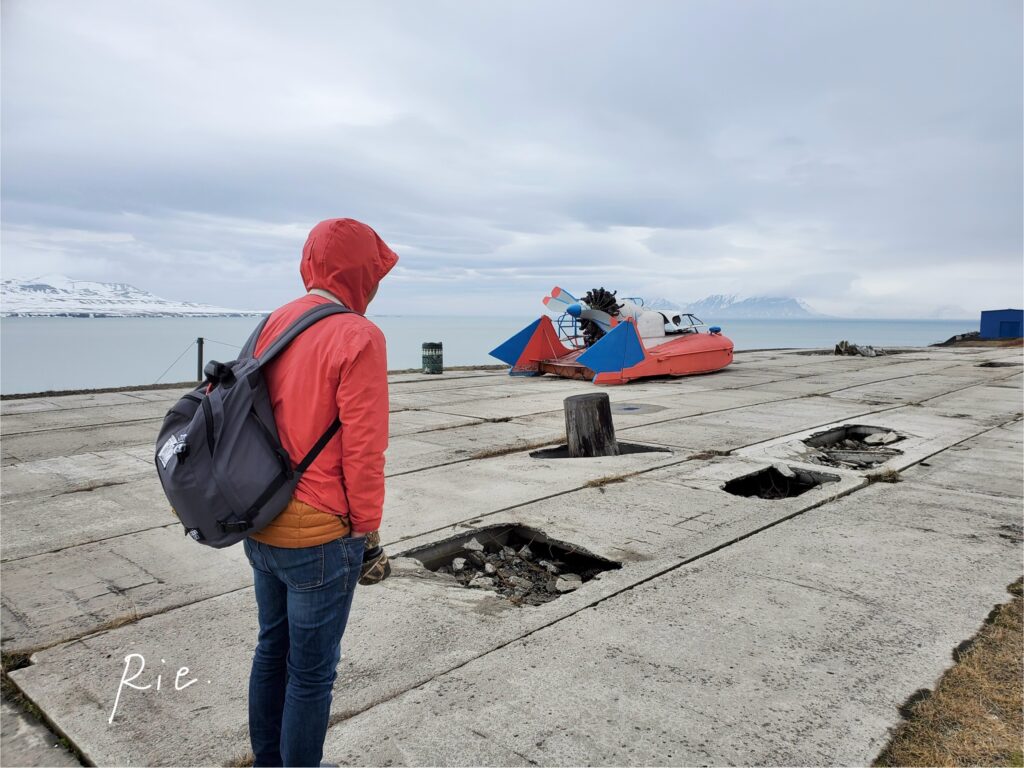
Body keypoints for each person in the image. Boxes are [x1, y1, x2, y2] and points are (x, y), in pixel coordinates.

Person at [242, 218, 398, 767]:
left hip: (258, 516)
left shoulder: (272, 323)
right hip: (321, 531)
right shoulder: (358, 335)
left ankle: (269, 761)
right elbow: (363, 447)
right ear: (361, 273)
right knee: (311, 673)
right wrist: (365, 527)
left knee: (271, 650)